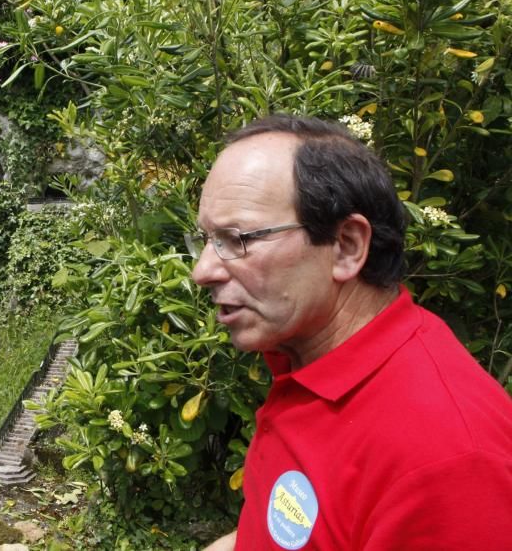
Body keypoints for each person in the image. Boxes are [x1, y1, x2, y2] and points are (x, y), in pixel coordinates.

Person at [189, 115, 512, 550]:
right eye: (207, 239)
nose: (202, 271)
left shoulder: (446, 460)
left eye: (237, 239)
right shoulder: (310, 360)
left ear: (346, 246)